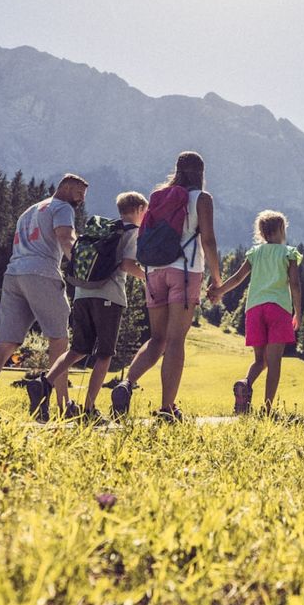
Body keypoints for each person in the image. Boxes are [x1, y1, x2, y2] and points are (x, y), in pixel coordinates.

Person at [0, 174, 88, 419]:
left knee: (5, 345)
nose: (81, 199)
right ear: (66, 187)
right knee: (59, 340)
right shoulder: (63, 208)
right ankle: (64, 406)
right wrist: (83, 266)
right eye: (79, 193)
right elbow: (66, 238)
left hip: (14, 274)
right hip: (42, 274)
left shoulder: (30, 210)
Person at [114, 151, 221, 422]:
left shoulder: (159, 195)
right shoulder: (202, 198)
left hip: (153, 272)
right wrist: (217, 278)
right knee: (175, 341)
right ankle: (167, 408)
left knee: (157, 339)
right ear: (201, 172)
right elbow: (208, 240)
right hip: (184, 272)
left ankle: (126, 384)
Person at [31, 191, 147, 422]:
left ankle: (44, 382)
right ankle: (89, 409)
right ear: (139, 210)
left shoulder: (105, 231)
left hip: (82, 294)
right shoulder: (132, 232)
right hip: (108, 296)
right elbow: (126, 265)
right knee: (104, 354)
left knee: (78, 349)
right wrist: (148, 278)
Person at [220, 210, 302, 415]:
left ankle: (245, 383)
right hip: (278, 309)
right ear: (281, 230)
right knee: (273, 363)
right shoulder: (288, 253)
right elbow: (295, 284)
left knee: (260, 360)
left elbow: (237, 278)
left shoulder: (255, 253)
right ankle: (267, 409)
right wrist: (298, 312)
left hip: (254, 310)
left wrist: (218, 291)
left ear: (262, 233)